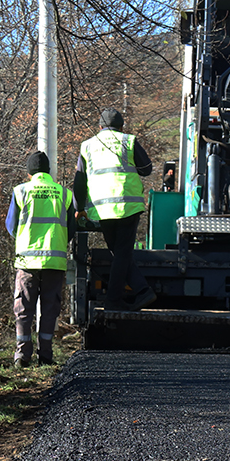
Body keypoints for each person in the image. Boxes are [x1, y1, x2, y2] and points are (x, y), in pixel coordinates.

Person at [73, 109, 156, 311]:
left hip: (102, 209)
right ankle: (120, 299)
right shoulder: (128, 141)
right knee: (122, 254)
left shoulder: (87, 146)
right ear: (121, 127)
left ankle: (141, 293)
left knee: (119, 252)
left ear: (100, 127)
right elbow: (147, 169)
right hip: (128, 206)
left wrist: (79, 208)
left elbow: (79, 180)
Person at [6, 150, 71, 367]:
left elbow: (11, 226)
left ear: (29, 172)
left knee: (24, 307)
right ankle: (46, 356)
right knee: (50, 308)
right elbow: (71, 227)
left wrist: (25, 239)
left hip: (27, 261)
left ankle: (22, 356)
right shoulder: (64, 193)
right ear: (48, 171)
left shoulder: (21, 191)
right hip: (55, 260)